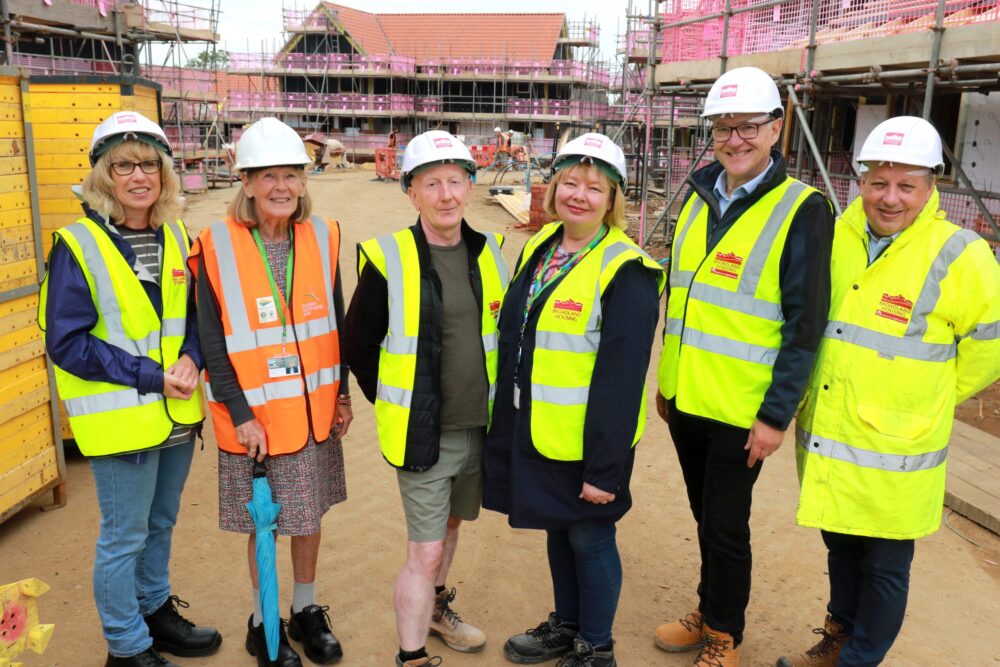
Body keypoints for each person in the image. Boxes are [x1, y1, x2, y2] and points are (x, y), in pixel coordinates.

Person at [775, 116, 1000, 667]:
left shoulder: (959, 253)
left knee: (883, 562)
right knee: (841, 545)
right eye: (879, 182)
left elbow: (990, 343)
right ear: (861, 182)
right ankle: (839, 637)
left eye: (907, 186)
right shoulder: (838, 234)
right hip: (832, 430)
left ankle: (859, 659)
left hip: (899, 446)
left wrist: (930, 392)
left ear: (931, 189)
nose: (890, 198)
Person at [653, 66, 835, 666]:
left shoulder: (802, 210)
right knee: (706, 518)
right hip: (687, 399)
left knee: (726, 527)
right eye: (722, 127)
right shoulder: (702, 192)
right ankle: (709, 607)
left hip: (742, 409)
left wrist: (776, 415)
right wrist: (667, 381)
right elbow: (682, 295)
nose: (734, 139)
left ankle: (725, 633)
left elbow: (805, 325)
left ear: (777, 129)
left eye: (748, 127)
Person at [39, 111, 221, 667]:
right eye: (123, 165)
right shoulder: (78, 243)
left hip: (176, 412)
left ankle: (153, 611)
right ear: (101, 175)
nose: (138, 176)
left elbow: (190, 315)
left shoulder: (173, 233)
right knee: (123, 537)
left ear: (164, 174)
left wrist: (192, 355)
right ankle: (126, 645)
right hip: (122, 423)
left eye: (150, 164)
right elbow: (66, 343)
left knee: (161, 524)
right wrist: (150, 375)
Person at [483, 133, 665, 667]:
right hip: (540, 429)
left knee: (590, 539)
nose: (579, 195)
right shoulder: (543, 246)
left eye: (594, 187)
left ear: (613, 200)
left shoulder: (626, 270)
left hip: (590, 443)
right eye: (570, 182)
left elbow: (622, 378)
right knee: (559, 532)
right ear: (555, 185)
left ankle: (597, 647)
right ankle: (567, 625)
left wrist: (604, 469)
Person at [189, 117, 352, 667]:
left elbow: (336, 323)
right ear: (247, 183)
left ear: (305, 182)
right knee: (265, 523)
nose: (281, 186)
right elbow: (212, 342)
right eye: (267, 176)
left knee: (309, 517)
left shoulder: (323, 236)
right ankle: (264, 623)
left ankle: (305, 610)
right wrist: (240, 414)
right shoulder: (216, 245)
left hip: (312, 414)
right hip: (254, 420)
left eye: (291, 175)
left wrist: (344, 396)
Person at [343, 130, 509, 667]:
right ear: (411, 192)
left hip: (476, 429)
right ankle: (410, 656)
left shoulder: (491, 254)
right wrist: (396, 402)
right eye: (430, 183)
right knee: (426, 548)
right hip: (425, 434)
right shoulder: (388, 258)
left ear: (469, 186)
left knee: (453, 527)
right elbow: (358, 344)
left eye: (455, 181)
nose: (445, 195)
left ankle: (436, 610)